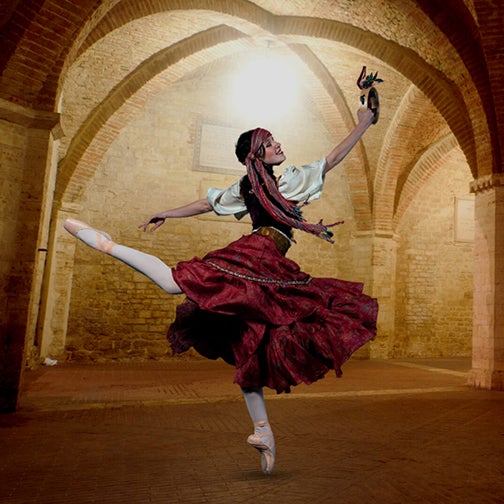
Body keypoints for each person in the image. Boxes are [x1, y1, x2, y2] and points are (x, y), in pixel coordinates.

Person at [64, 92, 379, 476]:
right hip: (254, 257)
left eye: (275, 140)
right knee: (175, 284)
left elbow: (325, 162)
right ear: (256, 155)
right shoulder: (258, 186)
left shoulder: (280, 183)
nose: (278, 144)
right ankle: (109, 244)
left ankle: (263, 431)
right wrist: (168, 212)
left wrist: (363, 123)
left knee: (250, 347)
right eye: (270, 143)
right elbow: (207, 202)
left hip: (268, 265)